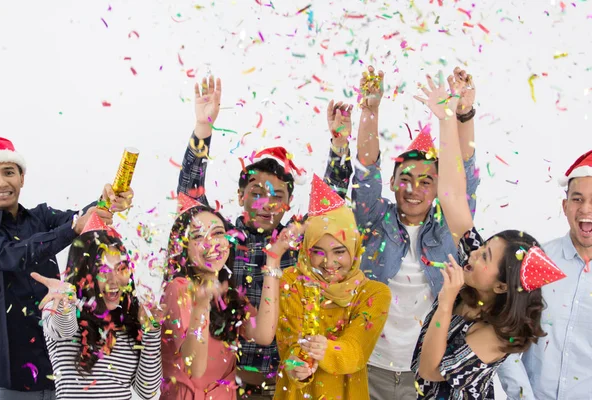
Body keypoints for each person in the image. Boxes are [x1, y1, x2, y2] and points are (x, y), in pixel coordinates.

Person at [177, 75, 354, 398]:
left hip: (286, 384)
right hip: (227, 381)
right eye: (256, 192)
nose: (265, 203)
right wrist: (203, 128)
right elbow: (189, 198)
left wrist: (340, 146)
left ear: (288, 203)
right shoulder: (222, 240)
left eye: (277, 196)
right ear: (241, 195)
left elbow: (332, 207)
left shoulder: (298, 244)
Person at [410, 72, 566, 399]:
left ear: (500, 285)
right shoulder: (477, 271)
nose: (474, 253)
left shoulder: (496, 335)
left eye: (485, 256)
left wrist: (446, 300)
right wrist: (447, 117)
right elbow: (453, 195)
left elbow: (428, 372)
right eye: (483, 247)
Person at [351, 66, 480, 400]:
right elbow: (365, 171)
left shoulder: (448, 230)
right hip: (369, 366)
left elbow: (464, 174)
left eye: (426, 181)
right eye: (405, 179)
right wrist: (370, 111)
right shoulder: (374, 218)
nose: (413, 189)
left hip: (425, 370)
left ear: (438, 188)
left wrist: (463, 115)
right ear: (392, 182)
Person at [0, 137, 133, 399]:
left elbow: (80, 219)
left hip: (61, 378)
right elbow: (13, 255)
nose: (1, 183)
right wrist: (73, 228)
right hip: (7, 382)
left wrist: (104, 203)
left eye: (9, 172)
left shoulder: (42, 217)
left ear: (22, 178)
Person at [161, 193, 300, 399]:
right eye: (198, 236)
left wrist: (273, 261)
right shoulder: (178, 288)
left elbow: (263, 334)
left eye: (218, 233)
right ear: (183, 247)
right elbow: (194, 369)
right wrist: (201, 307)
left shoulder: (228, 292)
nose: (212, 244)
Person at [275, 174, 391, 399]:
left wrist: (325, 350)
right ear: (306, 251)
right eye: (318, 253)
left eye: (339, 252)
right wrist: (296, 366)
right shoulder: (293, 281)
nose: (329, 264)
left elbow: (357, 350)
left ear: (354, 247)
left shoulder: (374, 294)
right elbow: (288, 345)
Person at [32, 212, 163, 399]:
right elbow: (65, 328)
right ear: (84, 272)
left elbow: (146, 391)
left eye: (121, 268)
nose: (113, 280)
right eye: (103, 270)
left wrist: (151, 331)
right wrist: (67, 302)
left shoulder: (131, 319)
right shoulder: (60, 306)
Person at [497, 149, 592, 399]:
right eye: (577, 199)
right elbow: (507, 335)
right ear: (565, 205)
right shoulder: (537, 261)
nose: (586, 209)